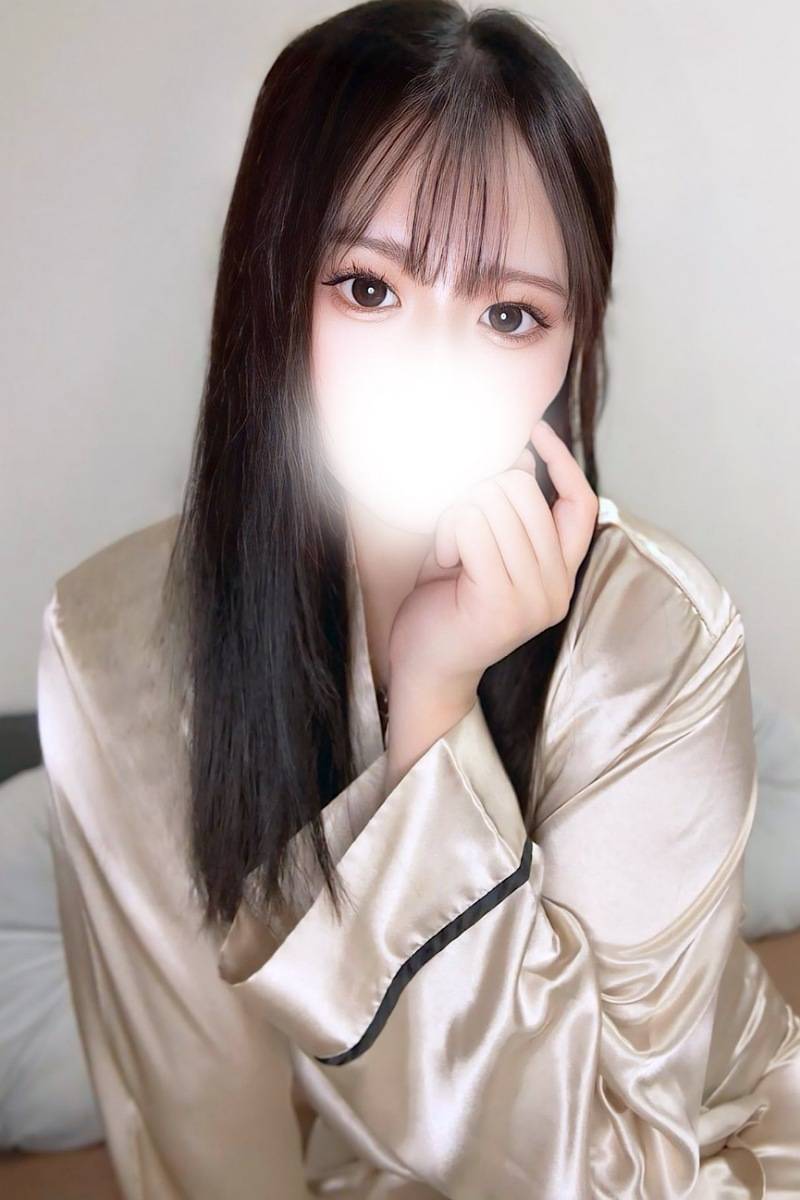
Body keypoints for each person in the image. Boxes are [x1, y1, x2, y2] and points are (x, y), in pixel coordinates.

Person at [36, 1, 800, 1197]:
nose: (432, 368)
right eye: (367, 287)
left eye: (507, 315)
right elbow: (192, 1116)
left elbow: (597, 1173)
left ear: (569, 346)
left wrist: (432, 711)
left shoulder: (656, 639)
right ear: (268, 284)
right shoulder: (114, 644)